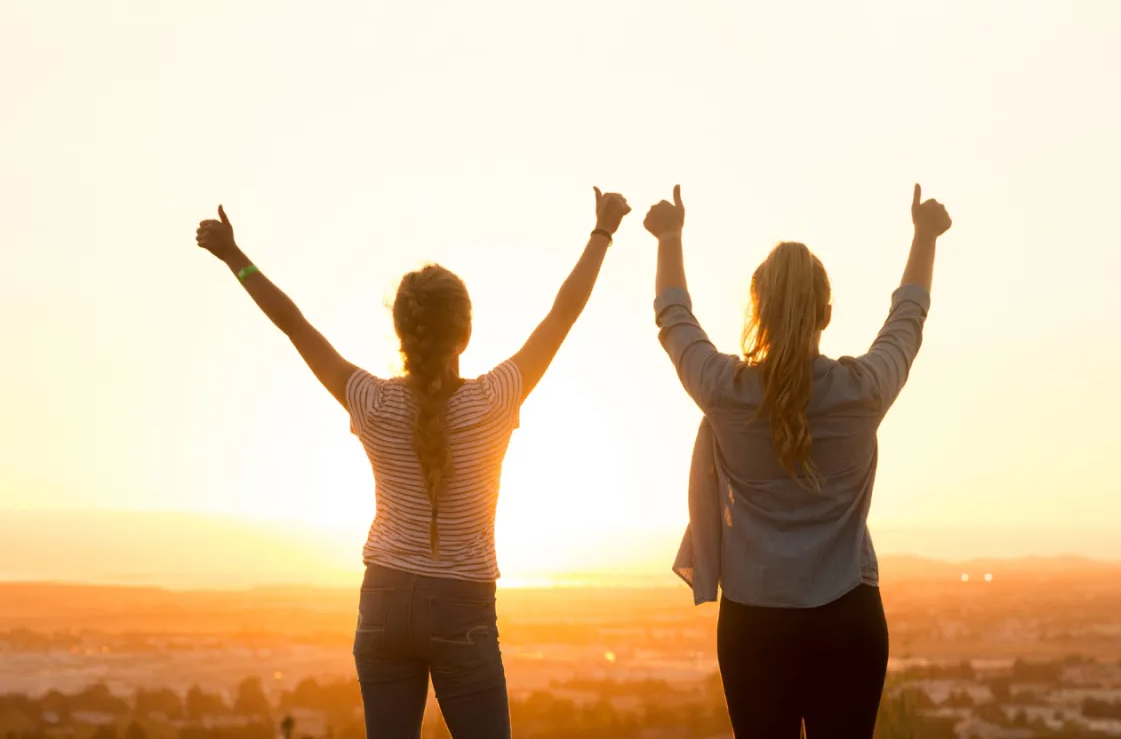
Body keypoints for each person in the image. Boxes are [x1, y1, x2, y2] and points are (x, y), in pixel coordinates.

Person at [195, 187, 632, 739]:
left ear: (401, 332)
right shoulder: (496, 400)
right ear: (465, 333)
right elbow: (562, 314)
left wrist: (235, 256)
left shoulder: (371, 402)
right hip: (462, 608)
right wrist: (602, 231)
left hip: (383, 602)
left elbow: (295, 325)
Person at [644, 183, 952, 739]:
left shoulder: (725, 391)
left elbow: (674, 320)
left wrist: (669, 237)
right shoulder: (863, 392)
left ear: (756, 310)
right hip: (848, 620)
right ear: (827, 313)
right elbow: (909, 319)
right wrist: (925, 234)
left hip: (754, 627)